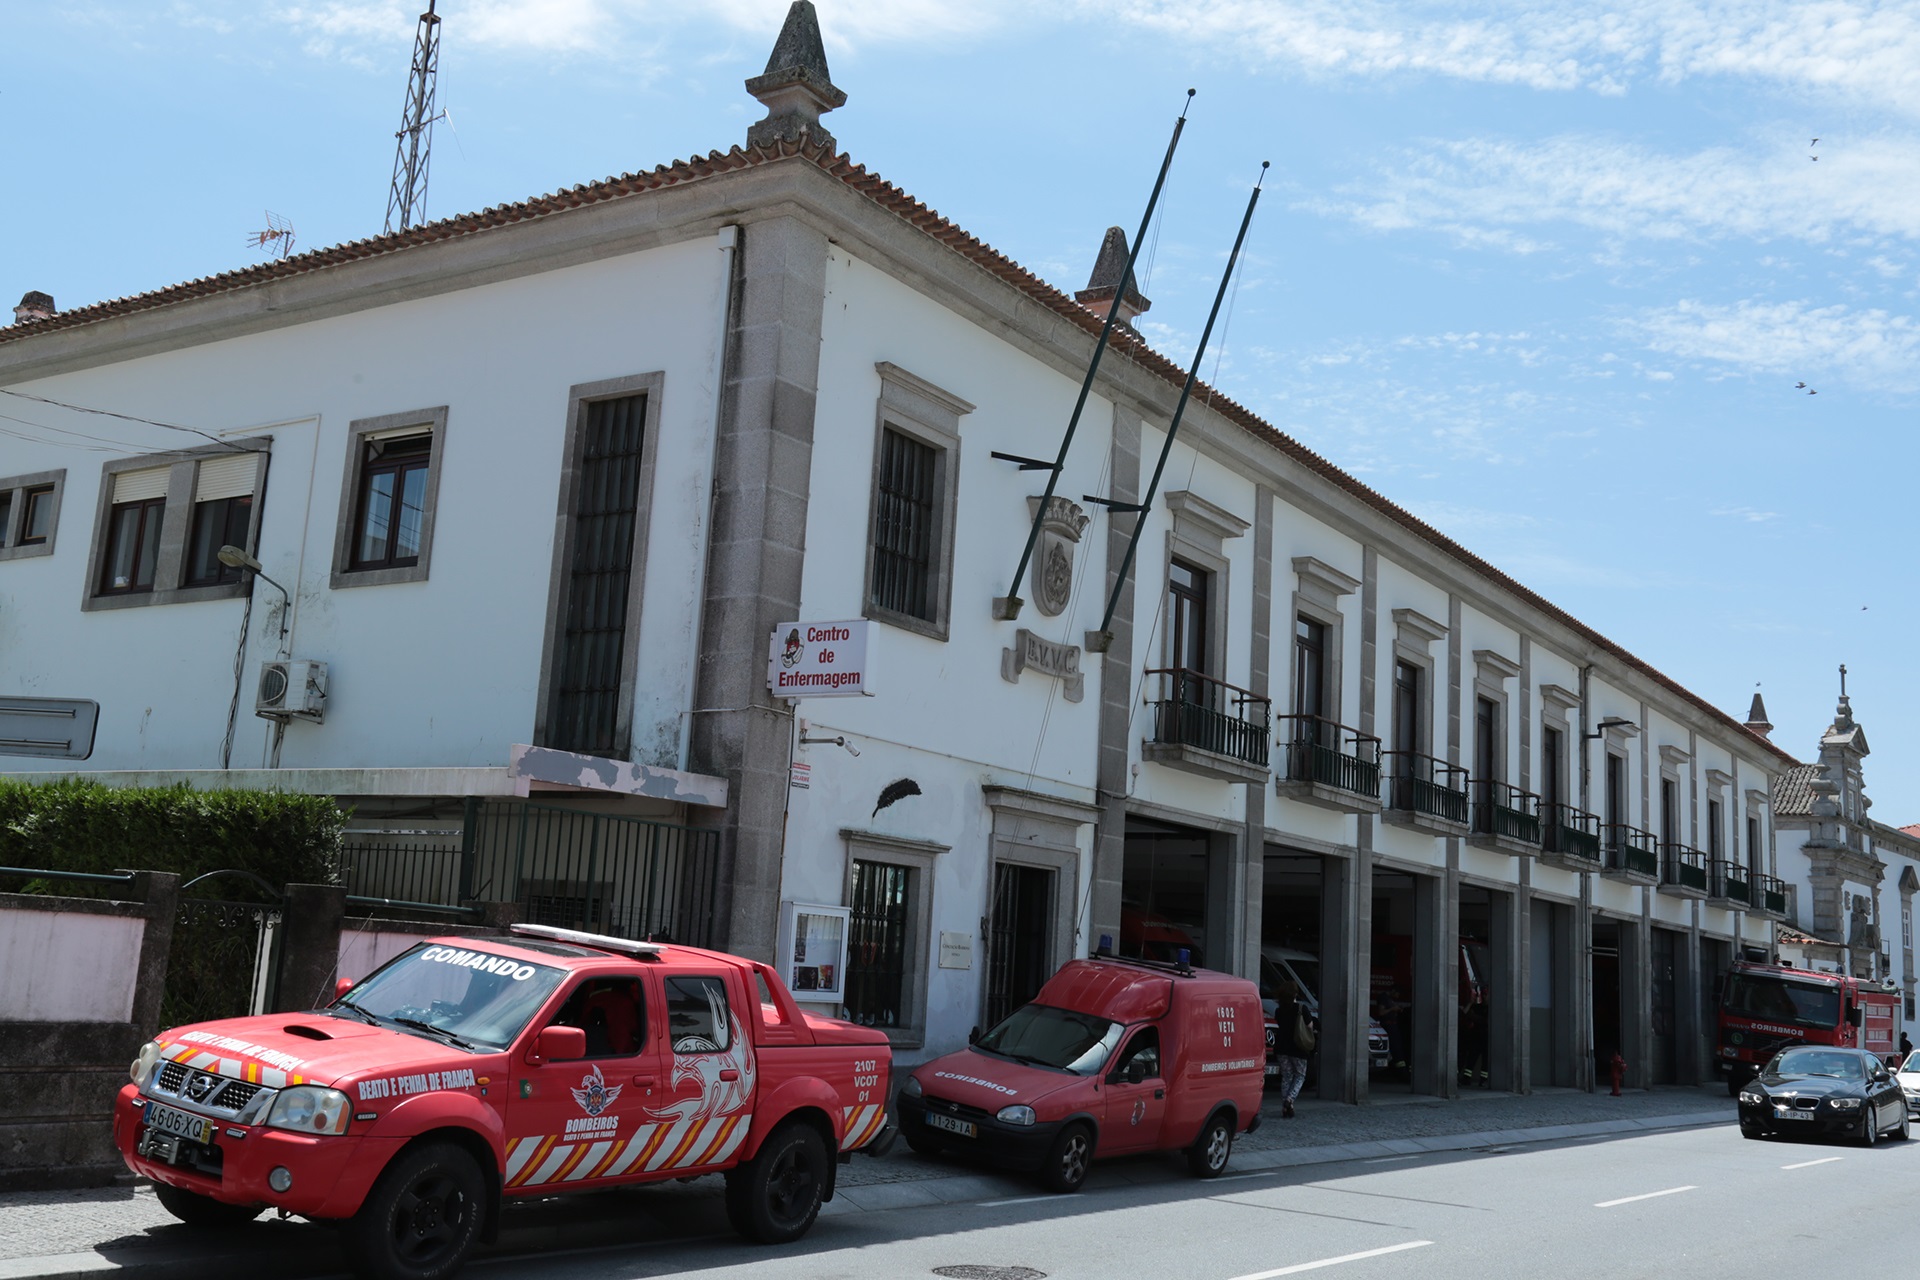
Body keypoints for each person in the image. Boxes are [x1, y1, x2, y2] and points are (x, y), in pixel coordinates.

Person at [1271, 975, 1312, 1118]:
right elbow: (1309, 1026)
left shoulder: (1278, 1010)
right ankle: (1289, 1100)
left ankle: (1286, 1108)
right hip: (1298, 1047)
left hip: (1282, 1046)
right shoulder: (1302, 1008)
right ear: (1295, 993)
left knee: (1287, 1076)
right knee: (1300, 1076)